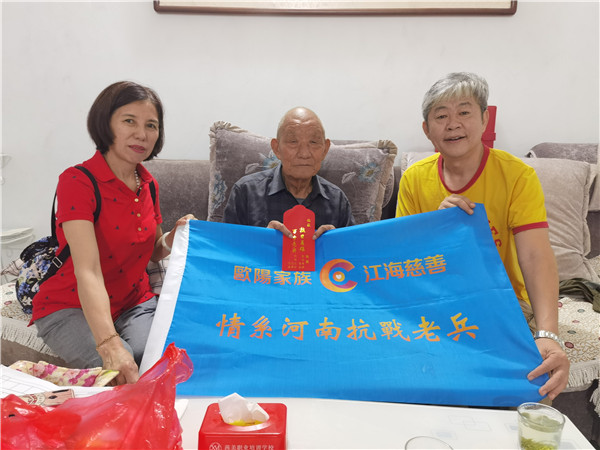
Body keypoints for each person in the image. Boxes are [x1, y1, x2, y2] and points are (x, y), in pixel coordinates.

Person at [395, 72, 569, 401]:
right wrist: (438, 226)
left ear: (485, 119)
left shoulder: (517, 176)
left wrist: (548, 333)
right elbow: (405, 261)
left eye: (464, 112)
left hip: (502, 302)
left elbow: (536, 257)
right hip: (436, 299)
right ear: (427, 129)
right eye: (441, 116)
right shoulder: (415, 178)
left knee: (523, 382)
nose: (453, 124)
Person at [32, 81, 195, 385]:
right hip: (70, 306)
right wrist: (109, 344)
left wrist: (172, 237)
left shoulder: (149, 184)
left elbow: (153, 250)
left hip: (133, 302)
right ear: (105, 123)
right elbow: (88, 270)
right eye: (129, 121)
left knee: (161, 361)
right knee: (117, 371)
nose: (142, 134)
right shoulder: (78, 181)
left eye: (151, 125)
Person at [224, 106, 355, 238]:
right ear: (276, 148)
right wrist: (263, 241)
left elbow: (353, 249)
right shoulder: (245, 192)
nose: (304, 153)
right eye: (293, 142)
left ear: (325, 149)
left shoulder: (337, 200)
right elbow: (227, 246)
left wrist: (336, 243)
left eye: (314, 142)